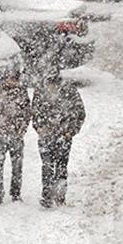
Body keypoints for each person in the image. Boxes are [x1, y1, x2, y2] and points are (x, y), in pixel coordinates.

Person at [32, 73, 86, 208]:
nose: (51, 88)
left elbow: (80, 113)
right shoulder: (40, 92)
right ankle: (47, 196)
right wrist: (39, 127)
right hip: (46, 137)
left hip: (63, 137)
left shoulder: (70, 93)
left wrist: (70, 132)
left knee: (61, 166)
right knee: (47, 166)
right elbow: (34, 112)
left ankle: (60, 196)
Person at [0, 69, 31, 204]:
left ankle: (16, 193)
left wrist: (22, 130)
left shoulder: (22, 92)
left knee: (17, 166)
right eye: (11, 79)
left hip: (16, 135)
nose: (13, 82)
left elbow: (27, 113)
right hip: (0, 134)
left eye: (15, 79)